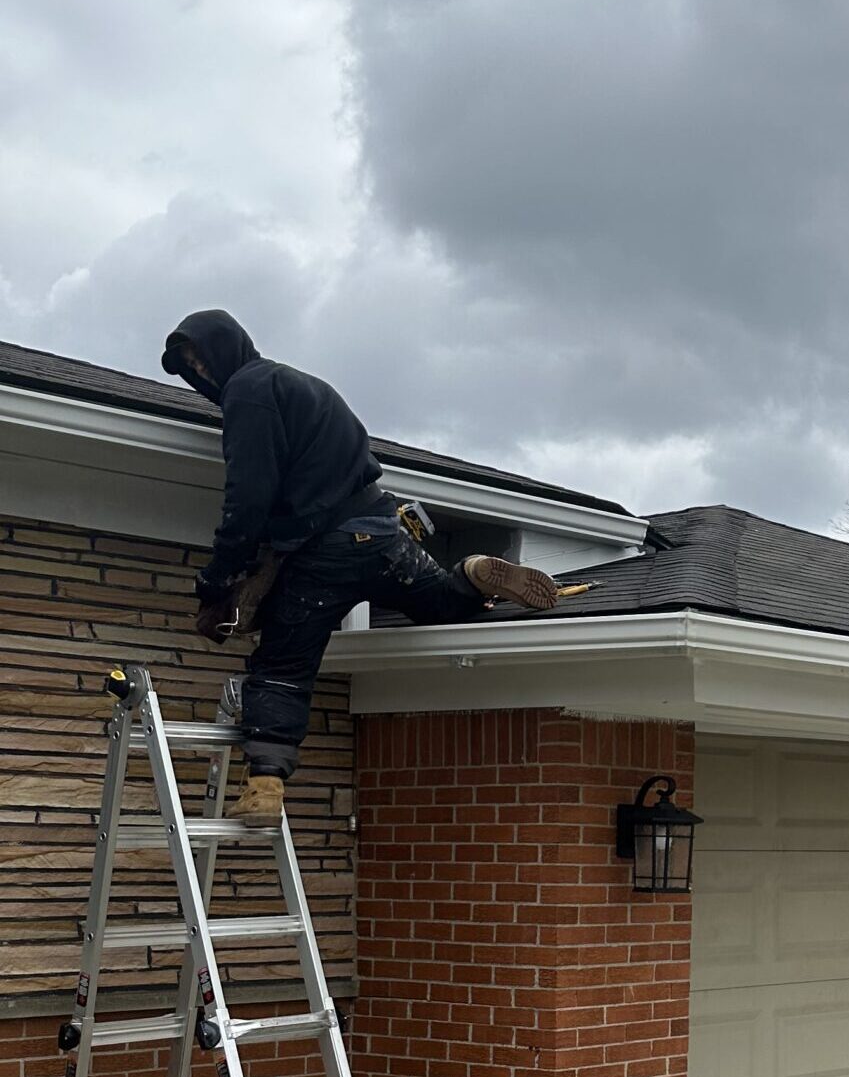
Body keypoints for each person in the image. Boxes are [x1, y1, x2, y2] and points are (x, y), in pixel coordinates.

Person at [164, 310, 562, 825]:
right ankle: (474, 572)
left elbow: (248, 497)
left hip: (324, 553)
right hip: (381, 528)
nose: (202, 372)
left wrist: (217, 576)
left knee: (281, 668)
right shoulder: (307, 386)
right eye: (191, 366)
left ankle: (264, 786)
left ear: (224, 348)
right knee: (440, 604)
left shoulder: (249, 392)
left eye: (200, 359)